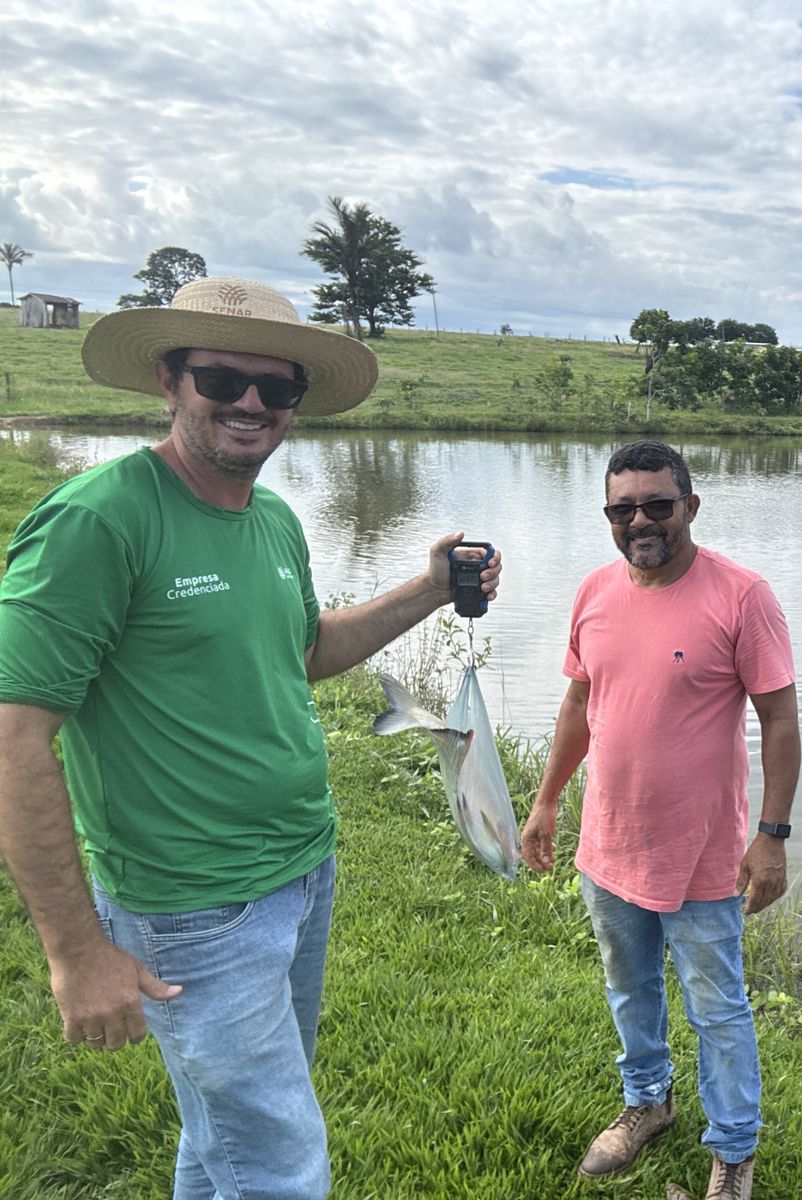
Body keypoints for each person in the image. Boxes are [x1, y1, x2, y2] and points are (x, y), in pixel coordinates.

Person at [0, 276, 502, 1200]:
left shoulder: (270, 517)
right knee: (278, 1167)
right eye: (223, 380)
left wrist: (430, 589)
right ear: (169, 379)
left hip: (301, 872)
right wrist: (74, 951)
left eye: (277, 387)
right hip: (192, 906)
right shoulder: (98, 521)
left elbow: (304, 652)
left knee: (226, 1141)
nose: (251, 404)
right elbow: (14, 739)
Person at [521, 439, 800, 1200]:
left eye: (657, 504)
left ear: (690, 506)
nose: (640, 520)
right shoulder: (594, 592)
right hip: (609, 846)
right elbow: (580, 702)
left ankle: (733, 1153)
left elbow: (779, 719)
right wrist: (547, 798)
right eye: (623, 508)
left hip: (702, 859)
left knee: (718, 1009)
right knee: (629, 988)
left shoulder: (742, 597)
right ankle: (647, 1102)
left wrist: (771, 836)